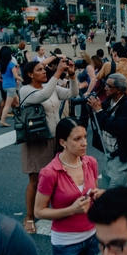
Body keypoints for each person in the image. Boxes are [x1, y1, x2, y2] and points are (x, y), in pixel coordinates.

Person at [35, 118, 102, 255]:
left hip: (92, 237)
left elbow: (93, 192)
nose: (84, 143)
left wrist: (98, 195)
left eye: (85, 137)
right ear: (63, 142)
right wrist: (70, 210)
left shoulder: (90, 162)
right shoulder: (50, 172)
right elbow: (39, 211)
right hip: (66, 244)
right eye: (77, 139)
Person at [19, 57, 77, 235]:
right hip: (37, 140)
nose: (44, 72)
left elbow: (72, 94)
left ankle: (54, 210)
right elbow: (42, 96)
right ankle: (30, 216)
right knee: (35, 181)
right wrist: (58, 73)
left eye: (44, 69)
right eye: (39, 70)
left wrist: (72, 75)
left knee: (58, 178)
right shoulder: (25, 90)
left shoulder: (49, 87)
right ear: (29, 74)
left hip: (56, 139)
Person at [97, 42, 127, 192]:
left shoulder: (108, 66)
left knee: (117, 141)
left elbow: (97, 80)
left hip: (115, 108)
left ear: (114, 53)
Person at [87, 73, 127, 189]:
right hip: (108, 154)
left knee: (114, 193)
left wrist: (99, 110)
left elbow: (115, 128)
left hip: (121, 157)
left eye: (108, 86)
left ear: (118, 90)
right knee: (104, 189)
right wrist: (93, 106)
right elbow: (99, 120)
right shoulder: (110, 101)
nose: (105, 88)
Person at [0, 46, 21, 127]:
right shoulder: (11, 64)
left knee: (18, 101)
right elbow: (16, 76)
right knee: (8, 105)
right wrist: (24, 80)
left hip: (5, 85)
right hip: (11, 86)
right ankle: (2, 121)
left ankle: (20, 116)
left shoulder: (1, 64)